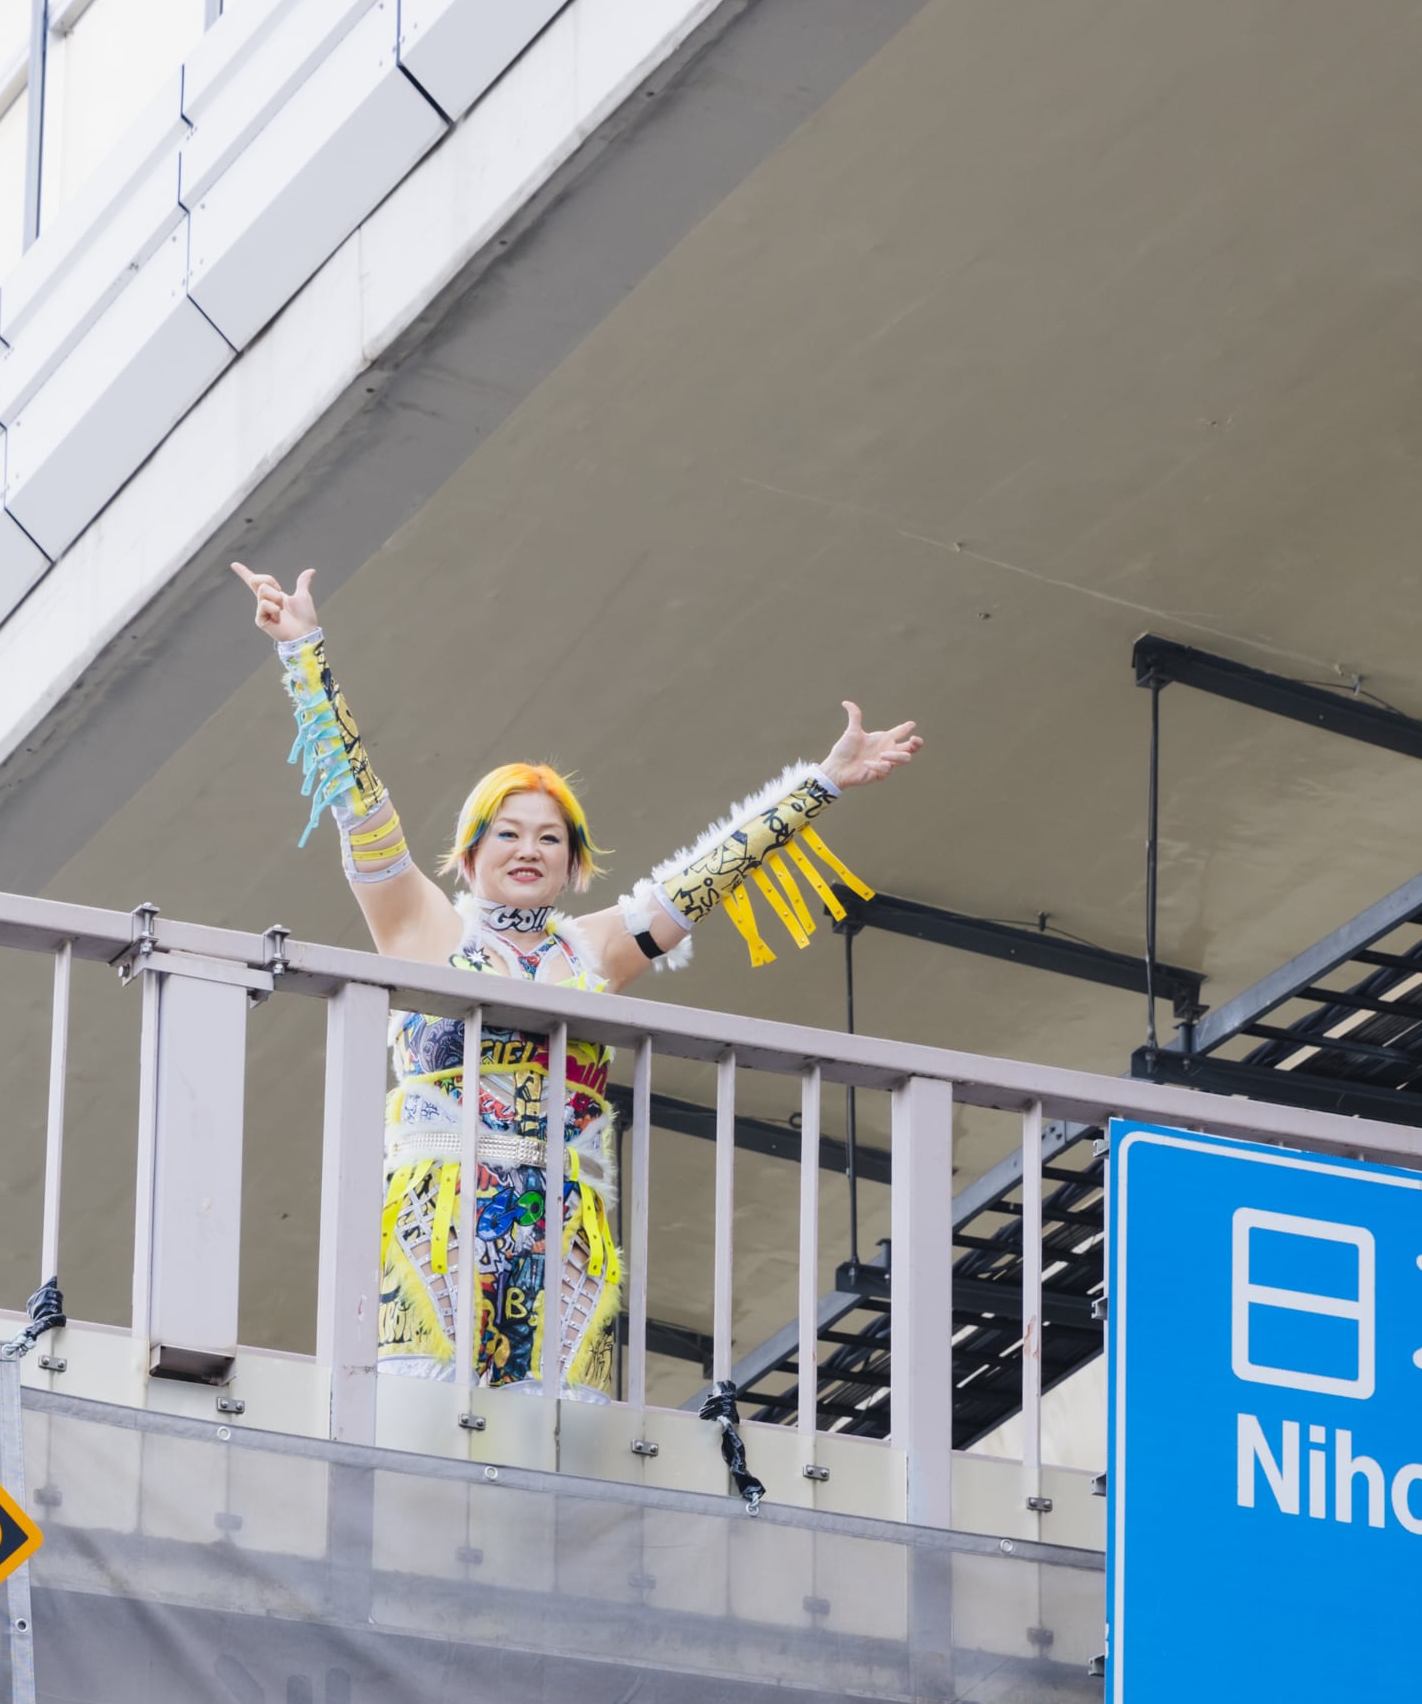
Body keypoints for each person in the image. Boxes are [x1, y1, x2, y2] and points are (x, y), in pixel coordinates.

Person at [235, 563, 921, 1399]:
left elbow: (705, 877)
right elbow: (362, 807)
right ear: (470, 854)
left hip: (569, 1238)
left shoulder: (593, 951)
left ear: (573, 864)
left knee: (559, 1441)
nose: (529, 849)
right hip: (437, 1228)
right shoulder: (421, 927)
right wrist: (304, 655)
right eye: (508, 833)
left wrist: (821, 784)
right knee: (419, 1425)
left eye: (550, 838)